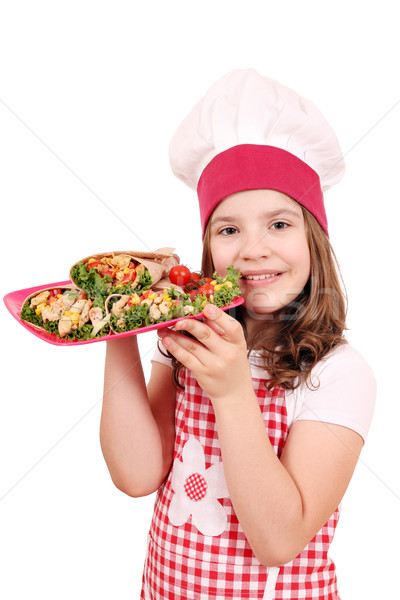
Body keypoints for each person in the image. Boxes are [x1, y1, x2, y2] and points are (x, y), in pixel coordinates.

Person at [100, 69, 376, 599]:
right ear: (209, 248)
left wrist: (230, 390)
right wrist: (120, 322)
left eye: (278, 224)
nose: (253, 249)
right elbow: (136, 476)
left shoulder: (339, 373)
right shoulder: (186, 342)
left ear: (314, 239)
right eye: (229, 229)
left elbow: (279, 540)